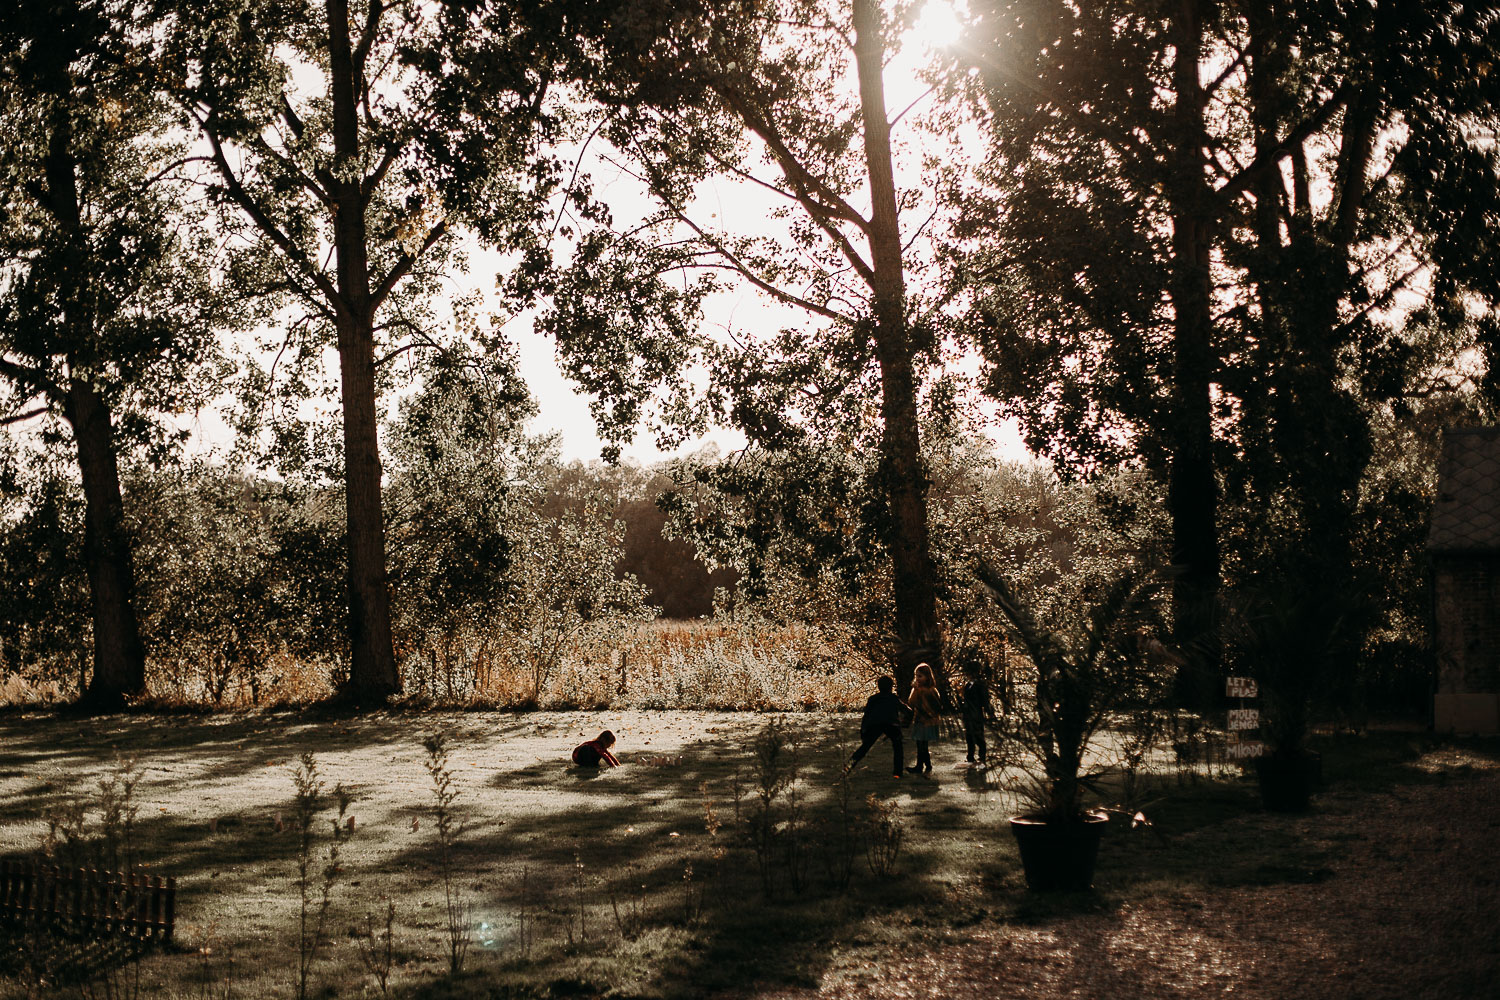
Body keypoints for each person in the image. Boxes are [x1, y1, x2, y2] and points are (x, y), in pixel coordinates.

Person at [846, 676, 911, 777]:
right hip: (891, 724)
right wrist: (907, 721)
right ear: (891, 687)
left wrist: (863, 731)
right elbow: (906, 710)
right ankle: (897, 773)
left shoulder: (873, 699)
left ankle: (849, 766)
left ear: (878, 687)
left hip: (875, 724)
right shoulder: (893, 698)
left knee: (865, 747)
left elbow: (866, 715)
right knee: (898, 747)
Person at [909, 662, 942, 775]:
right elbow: (912, 703)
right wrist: (915, 690)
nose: (917, 678)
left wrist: (928, 715)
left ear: (927, 677)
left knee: (923, 744)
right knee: (920, 744)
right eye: (916, 676)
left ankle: (924, 765)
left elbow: (935, 707)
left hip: (927, 721)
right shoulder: (918, 689)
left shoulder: (931, 691)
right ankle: (923, 765)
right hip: (919, 720)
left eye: (920, 676)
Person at [961, 663, 994, 765]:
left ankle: (982, 755)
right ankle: (970, 756)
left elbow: (985, 700)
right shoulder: (968, 685)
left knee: (978, 735)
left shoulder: (980, 685)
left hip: (976, 714)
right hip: (969, 714)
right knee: (969, 736)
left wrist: (989, 712)